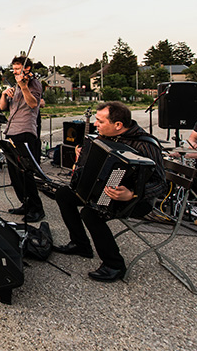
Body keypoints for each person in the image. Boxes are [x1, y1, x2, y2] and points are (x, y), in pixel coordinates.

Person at [54, 101, 167, 282]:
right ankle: (80, 244)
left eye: (100, 121)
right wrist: (81, 158)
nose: (95, 125)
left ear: (118, 125)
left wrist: (132, 193)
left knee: (91, 213)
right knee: (63, 194)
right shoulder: (103, 137)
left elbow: (161, 184)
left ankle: (114, 265)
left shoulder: (145, 146)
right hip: (104, 190)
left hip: (137, 199)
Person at [0, 56, 45, 222]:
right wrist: (4, 94)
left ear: (28, 68)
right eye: (14, 69)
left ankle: (37, 208)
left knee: (26, 172)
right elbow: (3, 108)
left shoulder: (33, 84)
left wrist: (24, 86)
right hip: (11, 130)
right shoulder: (16, 86)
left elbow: (34, 104)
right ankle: (25, 203)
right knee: (14, 172)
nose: (15, 72)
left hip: (25, 131)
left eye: (18, 69)